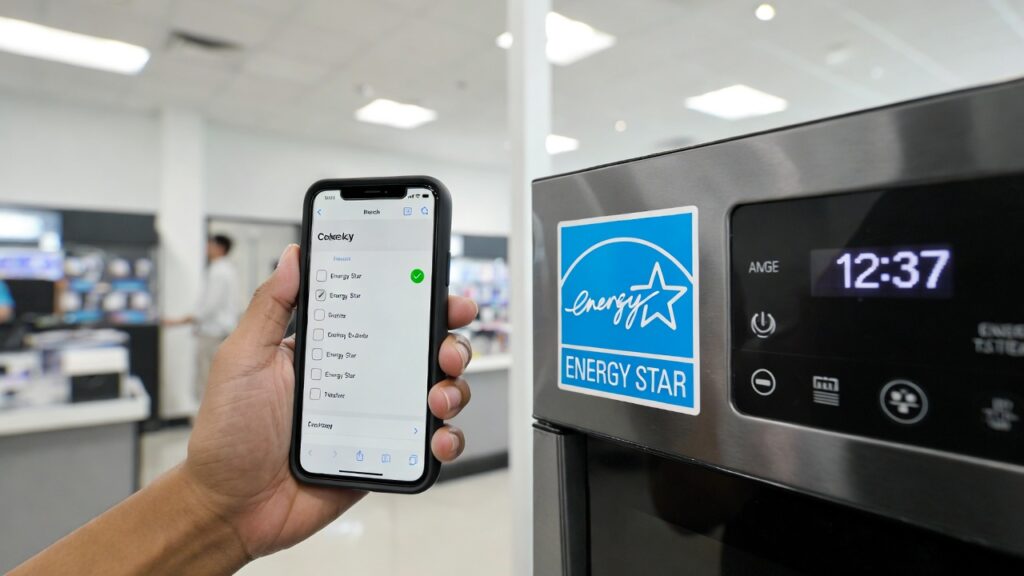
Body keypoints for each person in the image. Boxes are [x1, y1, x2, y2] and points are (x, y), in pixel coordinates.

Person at [12, 244, 476, 575]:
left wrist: (213, 510)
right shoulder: (225, 275)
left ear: (217, 247)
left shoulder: (220, 273)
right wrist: (213, 505)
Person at [165, 234, 241, 401]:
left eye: (210, 245)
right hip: (218, 331)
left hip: (213, 332)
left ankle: (206, 414)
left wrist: (179, 321)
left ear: (220, 248)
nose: (207, 248)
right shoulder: (226, 270)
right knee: (213, 376)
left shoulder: (219, 271)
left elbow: (209, 307)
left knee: (207, 377)